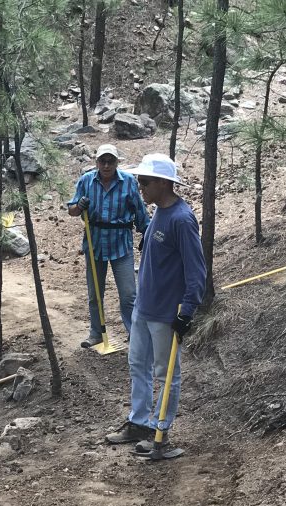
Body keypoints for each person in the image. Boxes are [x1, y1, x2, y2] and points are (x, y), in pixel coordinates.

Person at [105, 153, 207, 447]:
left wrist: (187, 311)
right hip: (144, 307)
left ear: (163, 183)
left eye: (145, 182)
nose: (141, 187)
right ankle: (139, 422)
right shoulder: (158, 214)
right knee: (138, 364)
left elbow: (196, 271)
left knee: (166, 373)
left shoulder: (182, 219)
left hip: (166, 312)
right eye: (139, 181)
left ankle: (159, 430)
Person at [67, 144, 149, 348]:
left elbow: (139, 210)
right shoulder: (86, 180)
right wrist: (79, 206)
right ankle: (96, 333)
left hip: (121, 244)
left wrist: (146, 232)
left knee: (128, 294)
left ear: (117, 162)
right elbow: (72, 210)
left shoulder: (128, 181)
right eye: (102, 161)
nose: (106, 165)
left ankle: (135, 334)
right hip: (94, 244)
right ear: (96, 162)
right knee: (95, 294)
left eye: (110, 161)